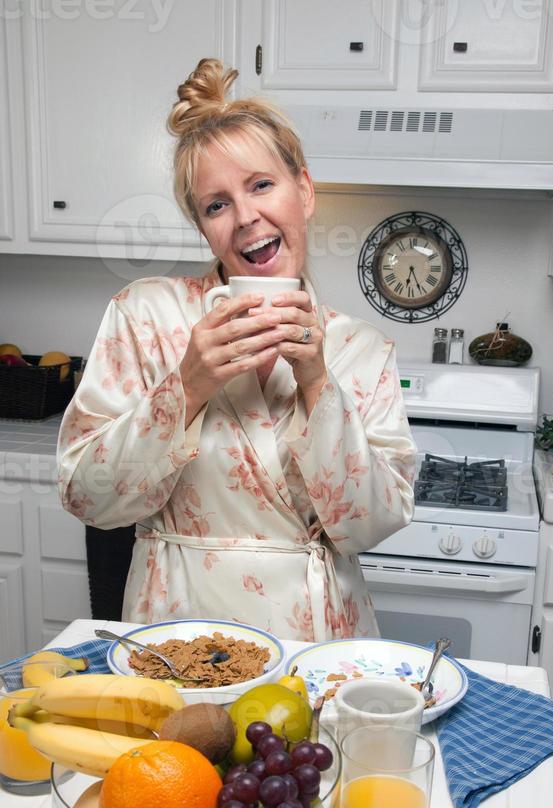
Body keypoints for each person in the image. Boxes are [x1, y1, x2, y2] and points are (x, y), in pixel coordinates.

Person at [57, 58, 416, 642]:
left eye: (261, 185)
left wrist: (317, 383)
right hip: (178, 632)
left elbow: (369, 526)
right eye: (216, 204)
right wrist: (189, 384)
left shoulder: (363, 350)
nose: (246, 217)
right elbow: (86, 497)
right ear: (204, 227)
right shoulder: (146, 315)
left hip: (317, 645)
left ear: (303, 192)